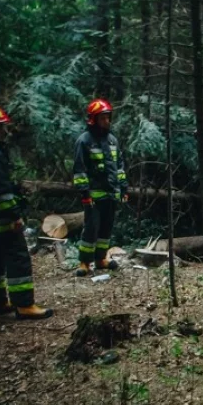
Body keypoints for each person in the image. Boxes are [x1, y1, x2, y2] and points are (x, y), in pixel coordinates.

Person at [0, 104, 53, 320]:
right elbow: (0, 191)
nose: (3, 132)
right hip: (0, 219)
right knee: (18, 258)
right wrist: (14, 215)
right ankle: (24, 304)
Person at [72, 98, 128, 276]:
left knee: (106, 228)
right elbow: (79, 170)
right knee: (91, 228)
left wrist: (123, 188)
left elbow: (119, 166)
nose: (106, 121)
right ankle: (84, 262)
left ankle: (100, 258)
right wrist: (84, 193)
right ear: (93, 119)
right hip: (93, 196)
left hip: (111, 194)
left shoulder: (112, 140)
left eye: (108, 117)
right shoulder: (84, 141)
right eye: (102, 118)